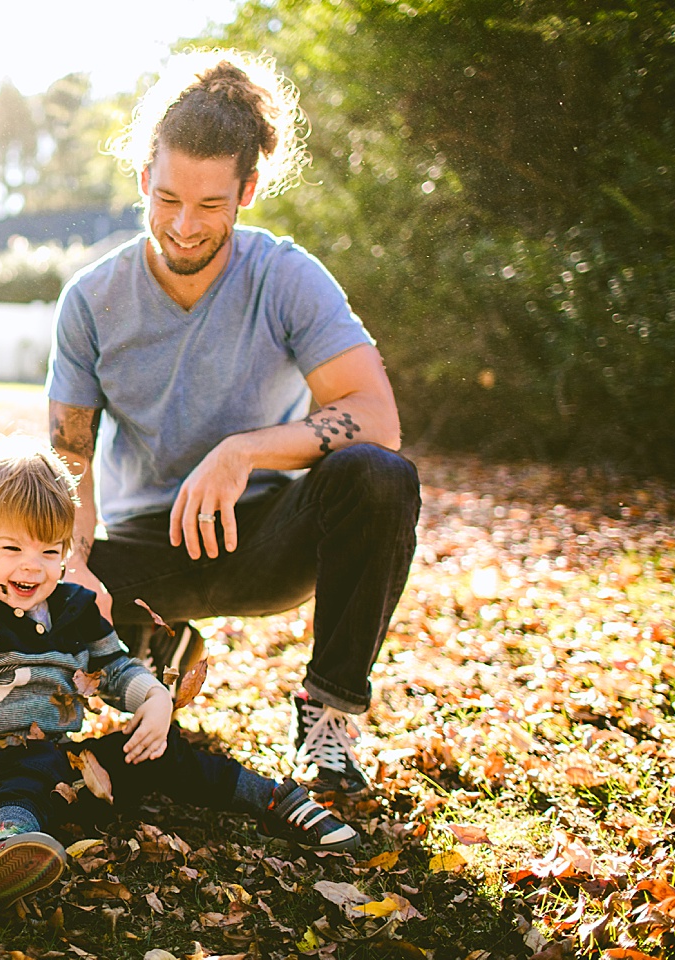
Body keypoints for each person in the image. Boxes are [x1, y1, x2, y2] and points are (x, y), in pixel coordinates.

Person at [47, 49, 421, 798]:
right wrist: (74, 566)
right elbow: (69, 459)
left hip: (267, 537)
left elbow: (377, 416)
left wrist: (246, 450)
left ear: (248, 191)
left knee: (379, 477)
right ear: (143, 179)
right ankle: (154, 639)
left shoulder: (286, 276)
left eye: (210, 205)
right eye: (166, 198)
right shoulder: (92, 300)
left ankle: (330, 717)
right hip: (141, 549)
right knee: (11, 573)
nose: (183, 226)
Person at [0, 438, 359, 913]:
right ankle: (1, 848)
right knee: (28, 767)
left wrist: (153, 698)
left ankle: (272, 799)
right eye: (11, 547)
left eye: (52, 550)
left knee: (154, 751)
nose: (33, 564)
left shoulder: (73, 608)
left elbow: (114, 667)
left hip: (66, 770)